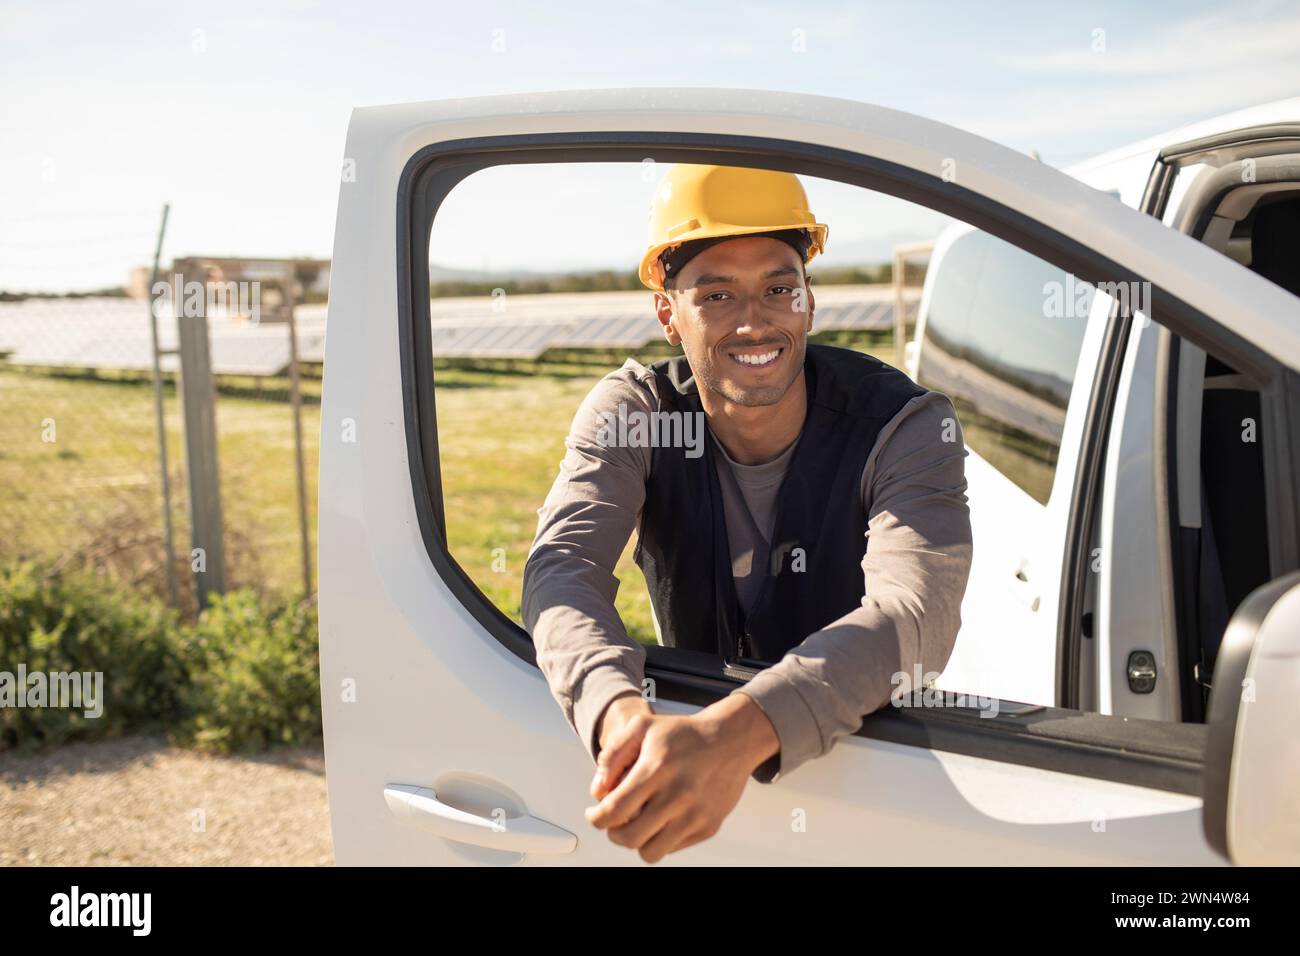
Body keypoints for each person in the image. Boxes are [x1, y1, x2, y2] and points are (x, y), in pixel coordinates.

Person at [522, 163, 972, 863]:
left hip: (872, 773)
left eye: (779, 288)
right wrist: (618, 716)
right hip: (693, 793)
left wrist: (731, 737)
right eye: (717, 294)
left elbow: (917, 612)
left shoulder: (903, 425)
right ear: (668, 315)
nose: (754, 319)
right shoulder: (637, 413)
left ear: (810, 303)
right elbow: (563, 569)